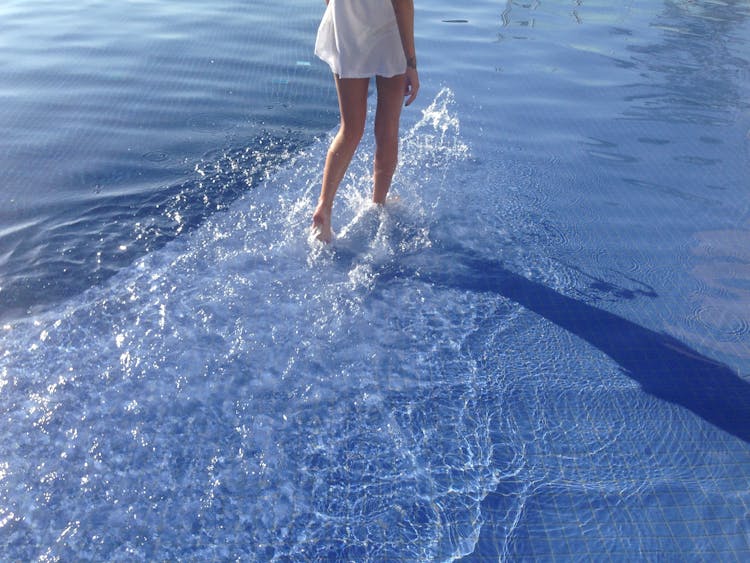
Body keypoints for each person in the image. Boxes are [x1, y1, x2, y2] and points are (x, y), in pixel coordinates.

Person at [311, 0, 419, 243]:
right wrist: (411, 63)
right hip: (388, 33)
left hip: (346, 29)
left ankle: (324, 206)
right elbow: (403, 5)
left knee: (350, 129)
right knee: (387, 128)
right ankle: (378, 203)